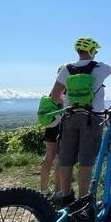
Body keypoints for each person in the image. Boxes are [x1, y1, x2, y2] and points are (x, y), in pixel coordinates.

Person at [48, 37, 111, 205]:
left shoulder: (66, 69)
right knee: (86, 160)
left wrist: (67, 103)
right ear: (92, 51)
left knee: (66, 159)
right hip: (92, 119)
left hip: (69, 117)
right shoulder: (100, 67)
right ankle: (83, 202)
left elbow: (54, 95)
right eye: (95, 51)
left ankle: (66, 198)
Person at [40, 66, 65, 202]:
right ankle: (58, 191)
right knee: (60, 160)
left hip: (51, 126)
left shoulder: (54, 90)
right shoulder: (67, 90)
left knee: (48, 158)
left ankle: (43, 191)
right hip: (62, 127)